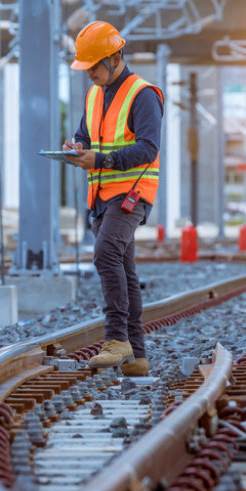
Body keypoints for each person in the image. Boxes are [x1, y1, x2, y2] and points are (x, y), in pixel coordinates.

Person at [62, 21, 164, 376]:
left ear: (115, 57)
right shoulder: (94, 95)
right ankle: (136, 356)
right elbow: (84, 135)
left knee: (106, 253)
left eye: (93, 66)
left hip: (132, 193)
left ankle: (116, 338)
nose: (89, 73)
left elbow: (149, 148)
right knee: (124, 267)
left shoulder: (143, 94)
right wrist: (76, 148)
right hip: (101, 196)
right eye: (86, 68)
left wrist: (102, 160)